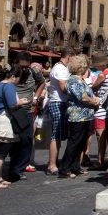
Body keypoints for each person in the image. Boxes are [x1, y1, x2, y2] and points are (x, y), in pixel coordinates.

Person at [58, 55, 98, 178]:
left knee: (80, 143)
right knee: (74, 142)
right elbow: (82, 97)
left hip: (85, 115)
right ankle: (64, 169)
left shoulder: (79, 79)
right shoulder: (74, 80)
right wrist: (94, 101)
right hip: (77, 115)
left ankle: (75, 166)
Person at [9, 51, 44, 181]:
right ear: (16, 63)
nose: (23, 69)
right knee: (12, 141)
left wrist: (36, 97)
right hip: (13, 111)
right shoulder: (11, 73)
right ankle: (12, 167)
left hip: (27, 110)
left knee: (27, 140)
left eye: (26, 66)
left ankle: (19, 168)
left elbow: (41, 83)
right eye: (21, 66)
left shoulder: (33, 72)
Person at [44, 47, 72, 176]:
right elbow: (63, 87)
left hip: (60, 102)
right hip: (58, 102)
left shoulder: (59, 67)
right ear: (69, 57)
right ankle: (52, 164)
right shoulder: (60, 69)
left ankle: (54, 162)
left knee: (59, 135)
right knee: (56, 135)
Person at [89, 52, 108, 170]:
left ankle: (100, 160)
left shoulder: (102, 75)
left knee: (100, 135)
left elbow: (93, 87)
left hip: (100, 107)